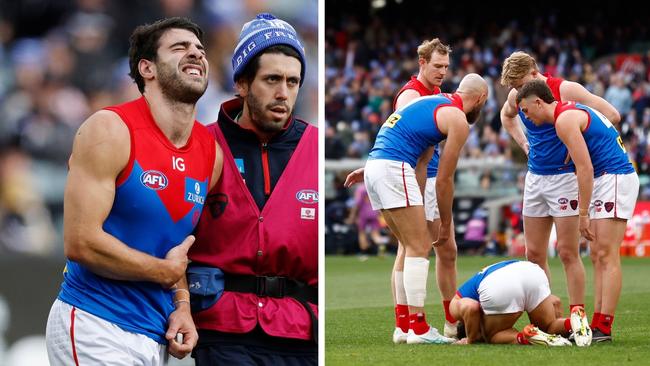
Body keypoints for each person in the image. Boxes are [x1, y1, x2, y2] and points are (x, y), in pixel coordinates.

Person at [45, 17, 223, 365]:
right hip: (94, 321)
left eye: (200, 50)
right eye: (179, 48)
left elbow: (177, 251)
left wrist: (183, 306)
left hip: (154, 335)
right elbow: (80, 242)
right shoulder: (109, 129)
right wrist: (162, 272)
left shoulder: (211, 152)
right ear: (147, 68)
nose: (195, 55)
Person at [188, 13, 318, 365]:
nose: (283, 93)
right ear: (242, 84)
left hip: (301, 332)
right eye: (272, 79)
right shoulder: (201, 146)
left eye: (293, 82)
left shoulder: (316, 148)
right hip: (223, 330)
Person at [346, 39, 461, 342]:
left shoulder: (437, 94)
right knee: (420, 246)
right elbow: (402, 136)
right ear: (421, 63)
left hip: (416, 173)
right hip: (416, 175)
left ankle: (426, 323)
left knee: (431, 249)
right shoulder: (410, 95)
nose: (442, 72)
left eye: (446, 67)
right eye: (437, 66)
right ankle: (416, 324)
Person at [363, 73, 487, 344]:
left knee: (409, 247)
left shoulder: (434, 102)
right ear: (481, 99)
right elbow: (444, 179)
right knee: (419, 247)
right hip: (394, 167)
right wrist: (445, 221)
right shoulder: (457, 119)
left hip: (376, 165)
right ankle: (419, 329)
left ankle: (404, 326)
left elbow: (423, 163)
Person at [516, 79, 640, 342]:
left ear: (539, 102)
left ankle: (603, 326)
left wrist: (582, 213)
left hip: (613, 177)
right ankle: (597, 325)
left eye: (526, 111)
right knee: (597, 254)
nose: (526, 118)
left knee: (606, 253)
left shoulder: (563, 121)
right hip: (608, 178)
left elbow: (585, 169)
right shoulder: (568, 112)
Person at [499, 51, 621, 315]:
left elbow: (610, 115)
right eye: (515, 87)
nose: (518, 92)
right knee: (533, 255)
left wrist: (580, 143)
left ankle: (578, 316)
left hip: (565, 178)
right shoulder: (515, 96)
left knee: (567, 252)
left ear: (534, 72)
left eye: (520, 84)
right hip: (535, 178)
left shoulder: (566, 89)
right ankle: (548, 316)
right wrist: (523, 143)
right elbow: (506, 116)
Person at [450, 260, 591, 347]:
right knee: (548, 326)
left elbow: (470, 308)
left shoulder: (456, 301)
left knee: (493, 335)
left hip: (500, 283)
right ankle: (572, 320)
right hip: (531, 271)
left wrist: (470, 339)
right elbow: (555, 300)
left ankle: (526, 337)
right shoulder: (477, 278)